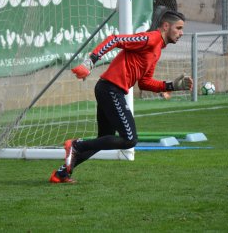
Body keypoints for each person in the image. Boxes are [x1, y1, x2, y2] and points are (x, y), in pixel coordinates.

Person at [49, 10, 193, 183]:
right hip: (110, 89)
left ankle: (61, 173)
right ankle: (76, 145)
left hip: (108, 89)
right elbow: (115, 40)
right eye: (178, 28)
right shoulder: (151, 38)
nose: (181, 33)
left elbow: (145, 82)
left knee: (104, 139)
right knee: (129, 139)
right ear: (166, 26)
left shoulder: (157, 49)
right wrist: (91, 60)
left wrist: (172, 86)